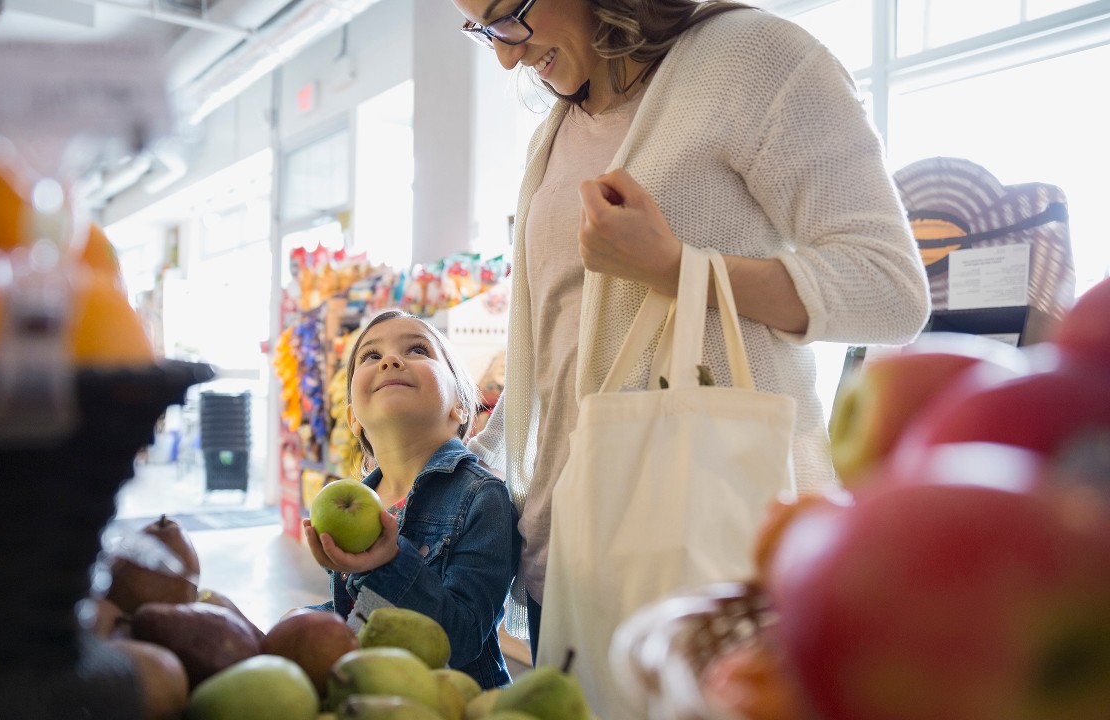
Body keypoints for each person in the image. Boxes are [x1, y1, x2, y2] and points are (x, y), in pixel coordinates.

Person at [451, 0, 933, 659]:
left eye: (508, 14)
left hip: (700, 564)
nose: (506, 54)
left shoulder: (753, 60)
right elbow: (557, 350)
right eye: (482, 31)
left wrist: (678, 268)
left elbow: (891, 289)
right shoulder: (555, 132)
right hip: (559, 564)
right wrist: (456, 479)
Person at [302, 309, 522, 689]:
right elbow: (362, 618)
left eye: (418, 349)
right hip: (374, 693)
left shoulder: (482, 498)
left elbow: (462, 637)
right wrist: (306, 625)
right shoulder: (356, 502)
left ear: (460, 406)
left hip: (452, 702)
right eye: (371, 356)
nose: (391, 359)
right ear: (355, 419)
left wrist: (389, 562)